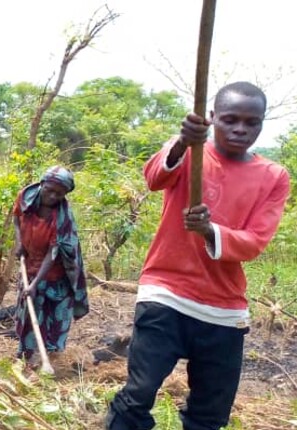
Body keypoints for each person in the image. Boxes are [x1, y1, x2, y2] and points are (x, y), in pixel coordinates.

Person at [106, 82, 290, 430]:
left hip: (224, 309)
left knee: (209, 415)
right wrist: (182, 142)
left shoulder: (273, 176)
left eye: (252, 122)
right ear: (212, 118)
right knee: (138, 395)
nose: (240, 129)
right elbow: (154, 178)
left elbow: (254, 242)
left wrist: (210, 231)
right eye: (230, 119)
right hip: (166, 292)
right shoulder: (190, 151)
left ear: (262, 123)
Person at [12, 166, 89, 368]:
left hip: (56, 274)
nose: (53, 196)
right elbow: (16, 218)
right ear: (42, 184)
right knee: (29, 314)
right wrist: (19, 242)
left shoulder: (62, 219)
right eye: (49, 190)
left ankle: (52, 358)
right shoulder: (25, 197)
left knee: (55, 316)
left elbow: (53, 254)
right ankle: (26, 356)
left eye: (59, 193)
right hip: (29, 266)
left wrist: (36, 283)